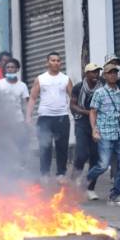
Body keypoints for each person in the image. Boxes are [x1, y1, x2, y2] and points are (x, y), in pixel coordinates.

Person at [26, 52, 74, 184]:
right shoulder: (41, 79)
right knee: (45, 147)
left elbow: (73, 98)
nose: (56, 63)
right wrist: (28, 117)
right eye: (53, 60)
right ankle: (45, 174)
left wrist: (77, 114)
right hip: (45, 118)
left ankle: (61, 174)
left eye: (58, 60)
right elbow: (32, 98)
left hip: (62, 117)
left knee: (62, 147)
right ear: (47, 62)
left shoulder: (66, 79)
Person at [87, 63, 120, 206]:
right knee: (103, 165)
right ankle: (84, 181)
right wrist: (94, 129)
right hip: (105, 133)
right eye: (110, 73)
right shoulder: (99, 93)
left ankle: (114, 196)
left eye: (115, 73)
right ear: (104, 76)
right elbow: (93, 111)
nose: (113, 75)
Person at [70, 63, 101, 185]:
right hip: (82, 123)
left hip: (98, 123)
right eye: (93, 72)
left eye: (97, 72)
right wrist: (87, 112)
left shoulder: (102, 87)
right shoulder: (78, 87)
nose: (96, 74)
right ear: (86, 74)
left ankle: (90, 187)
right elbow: (72, 105)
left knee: (95, 156)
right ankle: (74, 179)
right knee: (82, 154)